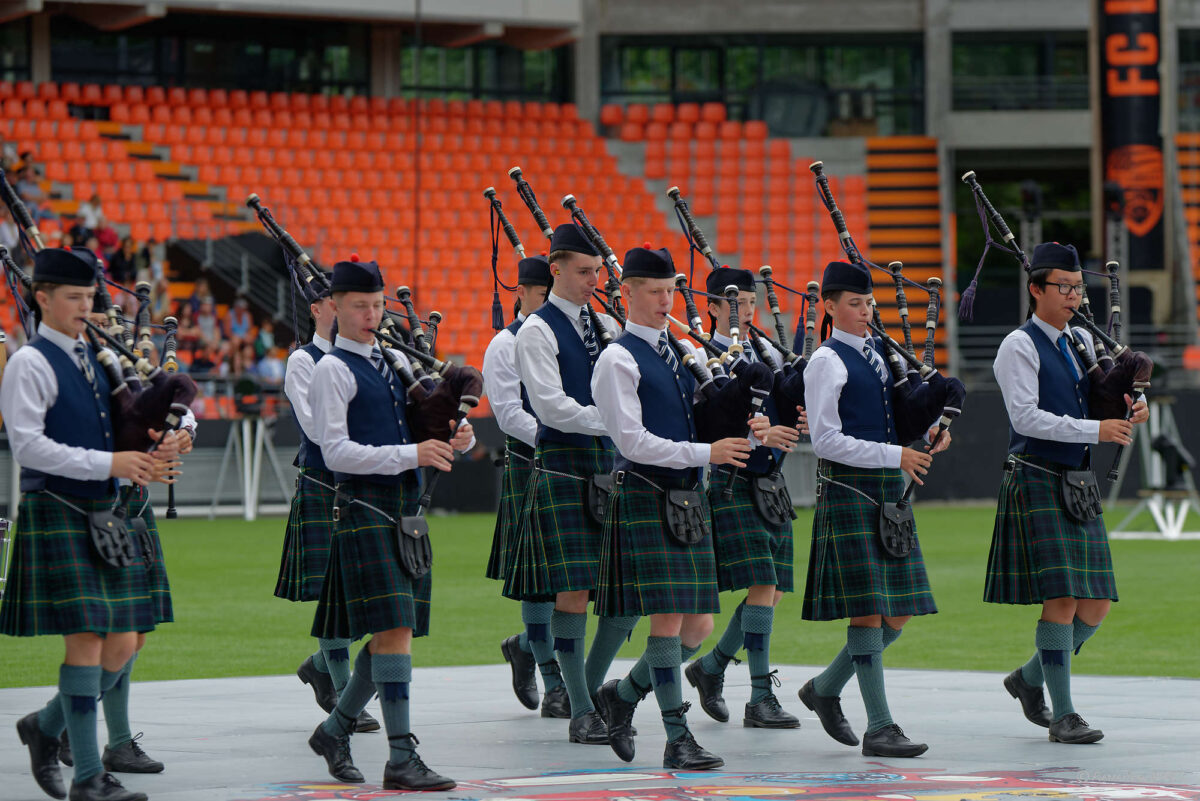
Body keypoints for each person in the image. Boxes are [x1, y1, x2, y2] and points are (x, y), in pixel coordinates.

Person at [1, 247, 172, 801]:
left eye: (89, 298)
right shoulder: (29, 362)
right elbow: (29, 447)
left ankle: (45, 727)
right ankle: (88, 778)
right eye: (72, 297)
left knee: (123, 641)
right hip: (58, 509)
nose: (83, 306)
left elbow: (118, 431)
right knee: (88, 640)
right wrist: (110, 464)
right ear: (41, 298)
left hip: (103, 512)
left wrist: (150, 453)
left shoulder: (96, 357)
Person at [591, 245, 764, 769]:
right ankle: (676, 737)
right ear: (628, 294)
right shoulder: (617, 358)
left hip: (688, 499)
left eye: (671, 291)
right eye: (654, 291)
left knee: (698, 629)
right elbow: (632, 441)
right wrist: (704, 452)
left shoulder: (684, 351)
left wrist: (742, 427)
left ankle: (620, 697)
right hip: (647, 493)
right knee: (667, 624)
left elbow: (701, 419)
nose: (666, 301)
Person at [305, 256, 474, 791]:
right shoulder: (332, 369)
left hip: (403, 514)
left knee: (390, 632)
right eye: (360, 306)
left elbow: (423, 432)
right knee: (395, 630)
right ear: (334, 308)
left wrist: (453, 441)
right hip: (364, 509)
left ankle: (335, 729)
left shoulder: (393, 363)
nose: (372, 315)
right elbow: (334, 452)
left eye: (377, 305)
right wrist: (411, 453)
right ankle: (400, 757)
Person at [986, 242, 1148, 744]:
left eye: (1079, 287)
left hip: (1076, 481)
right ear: (1036, 289)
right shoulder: (1018, 345)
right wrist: (1095, 431)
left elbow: (1101, 399)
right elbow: (1026, 417)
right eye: (1064, 287)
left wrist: (1128, 409)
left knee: (1095, 604)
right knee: (1061, 599)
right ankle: (1064, 714)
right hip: (1036, 474)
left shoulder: (1079, 340)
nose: (1074, 295)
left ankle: (1029, 679)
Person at [798, 260, 950, 758]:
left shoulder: (879, 355)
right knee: (867, 613)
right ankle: (880, 727)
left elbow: (889, 422)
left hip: (888, 491)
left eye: (869, 303)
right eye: (854, 303)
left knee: (900, 610)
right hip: (850, 490)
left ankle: (825, 688)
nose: (865, 311)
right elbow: (825, 440)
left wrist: (925, 435)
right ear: (830, 306)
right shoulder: (826, 361)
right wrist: (895, 455)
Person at [503, 224, 630, 746]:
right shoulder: (536, 329)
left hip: (610, 467)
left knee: (625, 598)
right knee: (573, 594)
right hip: (562, 466)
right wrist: (618, 422)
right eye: (582, 272)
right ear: (554, 269)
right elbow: (549, 404)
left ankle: (590, 690)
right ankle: (581, 710)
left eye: (596, 272)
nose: (591, 281)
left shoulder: (605, 324)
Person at [687, 266, 804, 729]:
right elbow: (709, 424)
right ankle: (759, 698)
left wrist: (798, 421)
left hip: (772, 483)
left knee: (772, 594)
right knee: (762, 587)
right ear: (712, 307)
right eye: (736, 304)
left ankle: (711, 667)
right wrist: (758, 436)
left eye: (751, 303)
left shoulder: (768, 352)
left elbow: (784, 407)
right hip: (731, 479)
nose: (747, 311)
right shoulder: (701, 354)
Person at [275, 276, 378, 734]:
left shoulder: (372, 357)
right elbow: (317, 430)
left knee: (360, 592)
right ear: (317, 309)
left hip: (365, 482)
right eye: (334, 303)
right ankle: (340, 694)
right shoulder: (304, 360)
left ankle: (322, 664)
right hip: (325, 480)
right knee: (334, 593)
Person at [481, 254, 568, 717]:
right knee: (539, 582)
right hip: (532, 463)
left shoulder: (568, 334)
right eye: (540, 294)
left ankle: (525, 646)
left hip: (573, 465)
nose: (548, 302)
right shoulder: (504, 344)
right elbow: (509, 415)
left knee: (572, 580)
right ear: (521, 293)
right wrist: (556, 437)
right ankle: (555, 681)